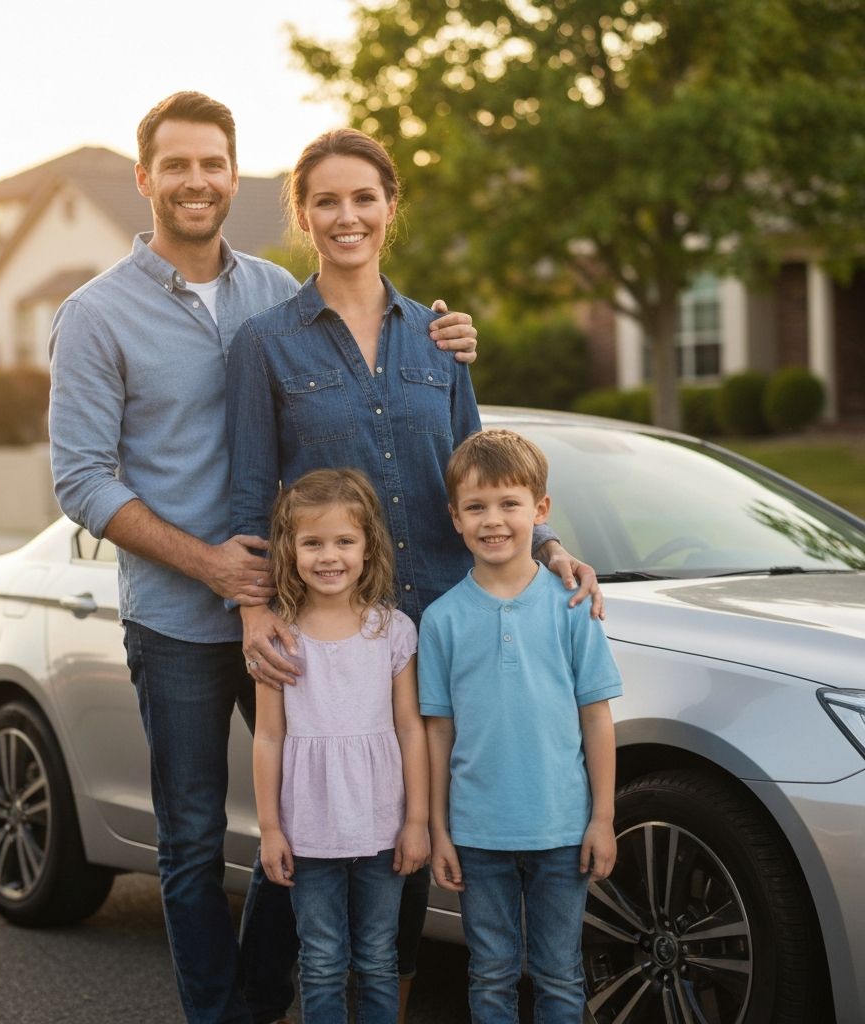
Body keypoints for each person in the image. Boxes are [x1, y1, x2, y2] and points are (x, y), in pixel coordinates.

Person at [48, 91, 479, 1024]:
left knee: (331, 815)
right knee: (196, 839)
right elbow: (80, 479)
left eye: (213, 163)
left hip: (300, 611)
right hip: (178, 617)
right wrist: (212, 568)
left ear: (234, 175)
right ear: (145, 178)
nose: (197, 181)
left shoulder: (273, 297)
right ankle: (225, 1015)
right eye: (177, 165)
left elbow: (364, 359)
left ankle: (272, 993)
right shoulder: (95, 315)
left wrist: (443, 331)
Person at [226, 128, 603, 1016]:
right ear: (304, 214)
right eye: (326, 200)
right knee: (316, 842)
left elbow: (484, 479)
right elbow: (249, 495)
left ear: (391, 208)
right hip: (330, 636)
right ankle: (259, 1005)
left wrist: (550, 549)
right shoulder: (266, 344)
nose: (346, 216)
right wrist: (253, 614)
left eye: (364, 198)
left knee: (411, 832)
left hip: (438, 629)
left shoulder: (440, 338)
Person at [418, 430, 623, 1024]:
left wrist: (603, 818)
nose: (493, 521)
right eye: (476, 507)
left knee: (561, 975)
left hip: (564, 829)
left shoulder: (571, 605)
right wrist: (439, 828)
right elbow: (437, 732)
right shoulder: (441, 621)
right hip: (479, 834)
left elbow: (596, 717)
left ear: (540, 511)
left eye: (509, 504)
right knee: (491, 974)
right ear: (455, 518)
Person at [253, 468, 429, 1023]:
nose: (329, 557)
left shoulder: (393, 631)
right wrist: (271, 828)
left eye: (344, 541)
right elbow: (269, 735)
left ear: (368, 547)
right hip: (309, 829)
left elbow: (410, 729)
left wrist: (417, 821)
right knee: (323, 959)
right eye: (313, 543)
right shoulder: (278, 637)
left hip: (382, 825)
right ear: (290, 550)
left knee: (378, 956)